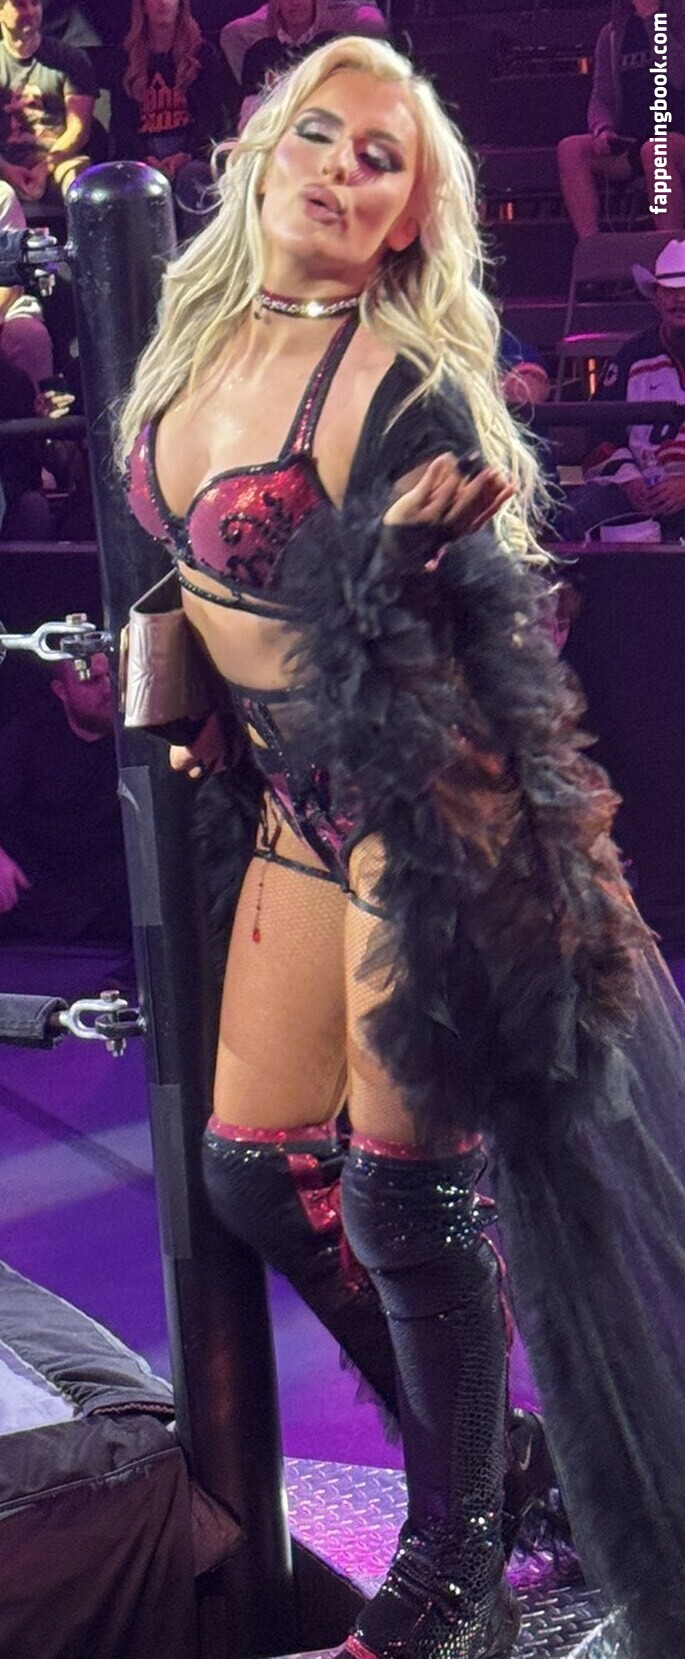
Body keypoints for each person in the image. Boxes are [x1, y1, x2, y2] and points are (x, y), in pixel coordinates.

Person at [119, 34, 685, 1659]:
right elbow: (199, 569)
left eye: (385, 159)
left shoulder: (397, 382)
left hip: (424, 806)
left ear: (411, 214)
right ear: (262, 148)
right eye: (323, 134)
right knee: (254, 1167)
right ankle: (501, 1477)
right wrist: (169, 676)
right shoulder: (193, 337)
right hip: (295, 797)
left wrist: (413, 564)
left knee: (403, 1198)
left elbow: (485, 647)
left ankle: (450, 1580)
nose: (343, 170)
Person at [0, 653, 131, 940]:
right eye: (91, 680)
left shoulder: (136, 736)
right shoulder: (27, 736)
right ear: (61, 691)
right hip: (35, 881)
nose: (107, 688)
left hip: (109, 885)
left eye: (111, 676)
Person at [565, 236, 685, 538]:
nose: (679, 300)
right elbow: (600, 435)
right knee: (576, 512)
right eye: (670, 291)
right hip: (643, 487)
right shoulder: (632, 357)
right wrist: (630, 480)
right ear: (656, 299)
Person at [557, 0, 685, 238]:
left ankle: (672, 248)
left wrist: (652, 19)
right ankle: (592, 246)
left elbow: (679, 76)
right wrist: (602, 128)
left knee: (655, 152)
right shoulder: (612, 33)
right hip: (633, 139)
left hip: (678, 136)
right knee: (571, 149)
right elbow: (601, 96)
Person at [108, 0, 234, 236]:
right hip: (143, 151)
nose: (162, 3)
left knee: (194, 177)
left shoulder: (203, 53)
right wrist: (144, 158)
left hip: (191, 149)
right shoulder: (125, 57)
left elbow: (213, 117)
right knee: (137, 183)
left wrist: (186, 154)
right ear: (143, 6)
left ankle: (198, 253)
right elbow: (121, 122)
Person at [221, 0, 387, 127]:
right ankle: (272, 91)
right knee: (235, 35)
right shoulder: (261, 50)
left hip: (345, 5)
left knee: (372, 24)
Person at [0, 0, 95, 203]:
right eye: (20, 5)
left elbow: (79, 131)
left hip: (59, 158)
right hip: (4, 164)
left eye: (35, 3)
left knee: (78, 178)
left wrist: (44, 168)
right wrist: (7, 170)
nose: (30, 11)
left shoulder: (71, 58)